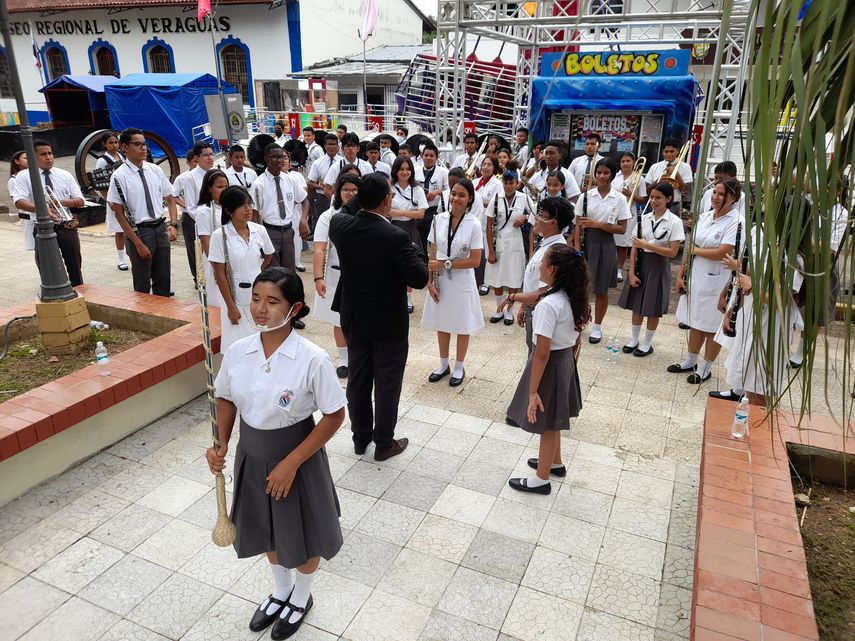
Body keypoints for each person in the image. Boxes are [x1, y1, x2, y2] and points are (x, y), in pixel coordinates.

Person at [206, 267, 346, 641]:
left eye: (272, 302)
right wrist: (220, 443)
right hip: (252, 453)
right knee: (267, 528)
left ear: (294, 307)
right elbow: (226, 397)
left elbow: (334, 415)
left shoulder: (311, 358)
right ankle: (281, 590)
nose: (260, 310)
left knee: (303, 533)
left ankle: (301, 596)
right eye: (255, 299)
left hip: (296, 457)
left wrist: (292, 463)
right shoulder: (238, 352)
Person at [329, 174, 429, 460]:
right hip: (388, 323)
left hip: (355, 317)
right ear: (387, 199)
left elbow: (349, 208)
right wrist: (417, 254)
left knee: (358, 380)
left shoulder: (340, 226)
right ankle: (384, 443)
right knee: (387, 383)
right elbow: (420, 278)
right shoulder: (395, 236)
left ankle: (360, 438)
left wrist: (366, 192)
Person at [506, 244, 590, 494]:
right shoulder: (570, 296)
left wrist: (532, 391)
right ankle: (555, 463)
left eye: (542, 262)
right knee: (554, 417)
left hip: (550, 364)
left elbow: (541, 352)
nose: (539, 266)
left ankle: (541, 479)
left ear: (552, 270)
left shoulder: (548, 305)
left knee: (548, 424)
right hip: (564, 361)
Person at [670, 178, 741, 384]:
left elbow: (723, 252)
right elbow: (692, 243)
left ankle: (706, 366)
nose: (715, 198)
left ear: (733, 198)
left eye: (721, 194)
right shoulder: (705, 216)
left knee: (711, 325)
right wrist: (681, 272)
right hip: (696, 275)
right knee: (695, 321)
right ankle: (690, 359)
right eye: (714, 193)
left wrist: (695, 251)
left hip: (718, 279)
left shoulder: (736, 222)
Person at [422, 178, 484, 386]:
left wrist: (445, 264)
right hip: (440, 279)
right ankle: (442, 363)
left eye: (462, 195)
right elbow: (431, 250)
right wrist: (430, 282)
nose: (456, 198)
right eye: (454, 194)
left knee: (462, 324)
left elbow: (475, 261)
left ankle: (459, 365)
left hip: (462, 280)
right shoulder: (438, 219)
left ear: (470, 199)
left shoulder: (474, 224)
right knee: (443, 322)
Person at [106, 128, 179, 296]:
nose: (143, 148)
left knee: (163, 279)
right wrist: (137, 243)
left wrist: (173, 224)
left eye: (144, 144)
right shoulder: (119, 176)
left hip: (160, 229)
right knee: (142, 283)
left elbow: (170, 199)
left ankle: (164, 312)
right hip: (139, 231)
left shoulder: (155, 170)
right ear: (124, 147)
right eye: (137, 144)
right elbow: (119, 213)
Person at [500, 196, 573, 357]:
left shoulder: (555, 251)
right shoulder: (546, 243)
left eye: (541, 214)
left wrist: (514, 297)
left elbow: (544, 292)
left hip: (542, 311)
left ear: (553, 223)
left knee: (537, 357)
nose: (535, 217)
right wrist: (524, 307)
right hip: (533, 307)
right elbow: (533, 282)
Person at [618, 182, 685, 356]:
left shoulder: (674, 222)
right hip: (641, 263)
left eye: (658, 198)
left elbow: (672, 252)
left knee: (652, 306)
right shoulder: (644, 218)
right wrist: (631, 272)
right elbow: (634, 247)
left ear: (668, 199)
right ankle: (634, 339)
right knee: (637, 305)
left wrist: (647, 245)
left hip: (658, 265)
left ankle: (647, 342)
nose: (654, 201)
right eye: (652, 197)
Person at [12, 140, 86, 286]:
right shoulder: (24, 176)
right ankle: (52, 290)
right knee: (47, 265)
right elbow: (18, 201)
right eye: (43, 154)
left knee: (74, 262)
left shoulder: (64, 174)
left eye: (50, 153)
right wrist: (41, 209)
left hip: (66, 225)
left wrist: (59, 202)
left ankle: (78, 290)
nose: (49, 157)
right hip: (42, 226)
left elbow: (80, 200)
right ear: (33, 157)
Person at [209, 186, 275, 351]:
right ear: (229, 211)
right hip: (234, 297)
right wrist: (231, 307)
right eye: (242, 206)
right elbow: (220, 274)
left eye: (249, 204)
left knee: (261, 341)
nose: (248, 209)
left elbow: (268, 255)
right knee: (237, 346)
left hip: (259, 293)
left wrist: (254, 271)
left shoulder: (259, 230)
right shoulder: (220, 236)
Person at [574, 157, 630, 343]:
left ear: (612, 175)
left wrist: (598, 224)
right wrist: (576, 249)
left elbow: (622, 228)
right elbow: (577, 226)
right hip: (586, 244)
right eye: (599, 172)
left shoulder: (620, 198)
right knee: (581, 287)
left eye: (606, 173)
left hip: (606, 245)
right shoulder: (585, 196)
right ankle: (579, 320)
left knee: (601, 289)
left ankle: (597, 326)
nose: (602, 176)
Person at [312, 174, 358, 378]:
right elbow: (320, 249)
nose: (351, 193)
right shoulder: (328, 216)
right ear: (339, 191)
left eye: (355, 190)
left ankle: (358, 357)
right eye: (346, 189)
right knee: (338, 319)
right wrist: (317, 277)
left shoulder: (365, 213)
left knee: (358, 320)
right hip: (335, 273)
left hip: (360, 274)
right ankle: (344, 360)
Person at [249, 144, 309, 280]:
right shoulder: (259, 184)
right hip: (269, 231)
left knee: (289, 272)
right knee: (273, 272)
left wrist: (303, 220)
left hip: (288, 231)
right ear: (266, 159)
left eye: (282, 157)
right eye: (275, 157)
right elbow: (254, 214)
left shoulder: (290, 179)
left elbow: (305, 201)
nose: (280, 160)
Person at [485, 168, 535, 324]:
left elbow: (536, 215)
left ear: (517, 183)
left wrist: (525, 217)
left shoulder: (524, 198)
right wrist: (491, 251)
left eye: (511, 183)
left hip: (516, 243)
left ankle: (510, 311)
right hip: (498, 242)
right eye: (505, 183)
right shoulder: (496, 199)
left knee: (514, 278)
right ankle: (498, 310)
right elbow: (488, 225)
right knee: (498, 278)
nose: (508, 186)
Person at [389, 156, 429, 313]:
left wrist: (399, 212)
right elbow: (387, 212)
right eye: (401, 169)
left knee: (409, 264)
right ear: (396, 171)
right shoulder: (390, 188)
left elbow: (421, 214)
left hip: (411, 229)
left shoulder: (417, 189)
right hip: (394, 228)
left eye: (408, 169)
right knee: (393, 265)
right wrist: (408, 213)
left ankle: (408, 300)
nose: (405, 172)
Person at [173, 141, 215, 283]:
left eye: (211, 154)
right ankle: (199, 279)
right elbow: (191, 206)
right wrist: (206, 220)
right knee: (196, 250)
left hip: (213, 219)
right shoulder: (190, 177)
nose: (210, 158)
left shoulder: (214, 174)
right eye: (206, 155)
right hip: (195, 219)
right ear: (197, 158)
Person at [94, 131, 128, 271]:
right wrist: (109, 201)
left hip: (126, 197)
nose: (114, 145)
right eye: (111, 143)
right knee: (119, 230)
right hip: (113, 199)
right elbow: (100, 183)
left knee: (131, 228)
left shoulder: (123, 157)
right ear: (104, 144)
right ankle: (121, 259)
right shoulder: (102, 161)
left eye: (116, 142)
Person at [195, 169, 230, 308]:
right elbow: (205, 241)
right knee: (217, 298)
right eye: (220, 187)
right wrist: (216, 268)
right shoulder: (204, 210)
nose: (224, 190)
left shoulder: (229, 208)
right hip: (214, 259)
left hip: (231, 254)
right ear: (209, 189)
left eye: (226, 186)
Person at [613, 151, 648, 282]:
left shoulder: (640, 178)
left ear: (634, 162)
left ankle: (619, 269)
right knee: (612, 242)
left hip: (629, 214)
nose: (625, 163)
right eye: (623, 161)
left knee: (623, 243)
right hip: (613, 211)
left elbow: (642, 199)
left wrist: (629, 193)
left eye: (628, 161)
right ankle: (610, 267)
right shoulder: (615, 177)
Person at [418, 143, 449, 261]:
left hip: (434, 210)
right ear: (422, 156)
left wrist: (436, 193)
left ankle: (432, 265)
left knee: (433, 241)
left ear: (436, 157)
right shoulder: (416, 171)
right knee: (420, 241)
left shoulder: (443, 172)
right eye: (426, 155)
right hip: (419, 210)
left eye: (432, 156)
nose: (429, 158)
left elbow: (448, 190)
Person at [645, 138, 693, 213]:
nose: (669, 154)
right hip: (655, 205)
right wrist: (658, 182)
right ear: (662, 152)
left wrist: (676, 175)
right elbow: (647, 191)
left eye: (672, 151)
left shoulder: (685, 167)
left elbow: (686, 192)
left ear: (677, 151)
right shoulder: (655, 167)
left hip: (674, 206)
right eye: (666, 152)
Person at [307, 133, 342, 230]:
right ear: (325, 146)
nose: (332, 147)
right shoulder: (318, 163)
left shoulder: (343, 162)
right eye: (329, 144)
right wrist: (321, 187)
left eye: (334, 144)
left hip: (338, 198)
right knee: (322, 225)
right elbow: (310, 182)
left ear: (338, 146)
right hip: (322, 198)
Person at [283, 153, 309, 273]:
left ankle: (297, 260)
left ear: (290, 162)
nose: (283, 161)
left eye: (285, 158)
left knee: (296, 238)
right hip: (281, 214)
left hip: (295, 211)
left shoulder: (296, 176)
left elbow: (303, 192)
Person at [8, 151, 35, 260]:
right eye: (26, 158)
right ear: (17, 161)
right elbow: (18, 202)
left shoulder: (35, 174)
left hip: (45, 215)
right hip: (30, 217)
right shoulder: (13, 180)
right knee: (38, 248)